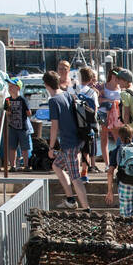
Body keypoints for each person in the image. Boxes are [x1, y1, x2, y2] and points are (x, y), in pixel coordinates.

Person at [44, 70, 88, 209]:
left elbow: (54, 127)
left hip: (69, 144)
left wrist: (51, 147)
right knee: (56, 166)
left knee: (75, 177)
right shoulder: (67, 95)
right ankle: (70, 199)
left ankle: (86, 209)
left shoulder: (53, 101)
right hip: (76, 139)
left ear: (46, 85)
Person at [3, 79, 33, 168]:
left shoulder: (23, 99)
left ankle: (26, 165)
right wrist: (9, 113)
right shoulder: (7, 100)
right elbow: (7, 112)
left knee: (24, 147)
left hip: (23, 127)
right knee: (12, 147)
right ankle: (12, 166)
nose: (10, 88)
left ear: (18, 88)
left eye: (12, 86)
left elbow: (29, 113)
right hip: (12, 127)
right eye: (9, 86)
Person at [76, 66, 100, 173]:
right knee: (86, 149)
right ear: (91, 79)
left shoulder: (73, 90)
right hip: (87, 124)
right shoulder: (92, 92)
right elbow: (95, 109)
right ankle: (84, 172)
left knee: (76, 149)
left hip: (74, 122)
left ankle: (75, 170)